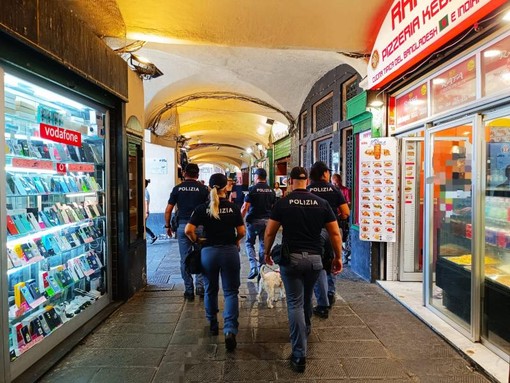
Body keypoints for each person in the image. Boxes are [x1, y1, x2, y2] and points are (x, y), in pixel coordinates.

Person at [264, 166, 343, 373]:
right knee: (307, 299)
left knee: (295, 304)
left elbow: (270, 232)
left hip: (291, 260)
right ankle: (305, 330)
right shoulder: (322, 203)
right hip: (315, 260)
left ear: (290, 181)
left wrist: (266, 252)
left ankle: (299, 355)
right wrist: (338, 257)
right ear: (306, 181)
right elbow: (335, 234)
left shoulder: (283, 203)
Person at [185, 173, 246, 351]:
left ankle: (212, 323)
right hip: (229, 252)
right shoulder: (233, 208)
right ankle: (229, 330)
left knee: (211, 289)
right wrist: (235, 241)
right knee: (231, 292)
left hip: (208, 253)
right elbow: (241, 232)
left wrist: (197, 240)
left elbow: (188, 230)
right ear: (225, 187)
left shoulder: (202, 208)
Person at [308, 162, 349, 319]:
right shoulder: (334, 189)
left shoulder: (309, 190)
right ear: (325, 173)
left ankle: (322, 302)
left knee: (319, 265)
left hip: (314, 232)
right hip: (333, 231)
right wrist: (336, 218)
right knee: (332, 261)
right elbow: (345, 212)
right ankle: (331, 293)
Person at [165, 163, 209, 301]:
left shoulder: (177, 189)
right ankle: (200, 288)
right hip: (200, 227)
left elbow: (168, 210)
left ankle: (188, 290)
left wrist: (167, 226)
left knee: (184, 258)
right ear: (197, 174)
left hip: (183, 226)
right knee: (202, 255)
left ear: (184, 173)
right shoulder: (204, 189)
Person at [241, 168, 276, 280]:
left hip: (254, 221)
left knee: (249, 243)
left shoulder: (252, 190)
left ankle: (253, 267)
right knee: (263, 245)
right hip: (267, 222)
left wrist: (239, 221)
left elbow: (245, 208)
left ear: (256, 177)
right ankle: (261, 269)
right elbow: (274, 208)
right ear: (265, 177)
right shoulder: (271, 191)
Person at [332, 173, 352, 265]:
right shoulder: (332, 191)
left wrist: (342, 209)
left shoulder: (345, 190)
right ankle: (342, 252)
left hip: (342, 217)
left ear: (340, 181)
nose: (335, 185)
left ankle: (343, 252)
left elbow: (349, 203)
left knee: (340, 236)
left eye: (336, 183)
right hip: (333, 216)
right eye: (333, 183)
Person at [145, 179, 157, 244]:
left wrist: (146, 212)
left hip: (144, 212)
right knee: (143, 226)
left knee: (143, 226)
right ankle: (153, 236)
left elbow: (146, 202)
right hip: (145, 211)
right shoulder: (146, 191)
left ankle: (153, 236)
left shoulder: (144, 191)